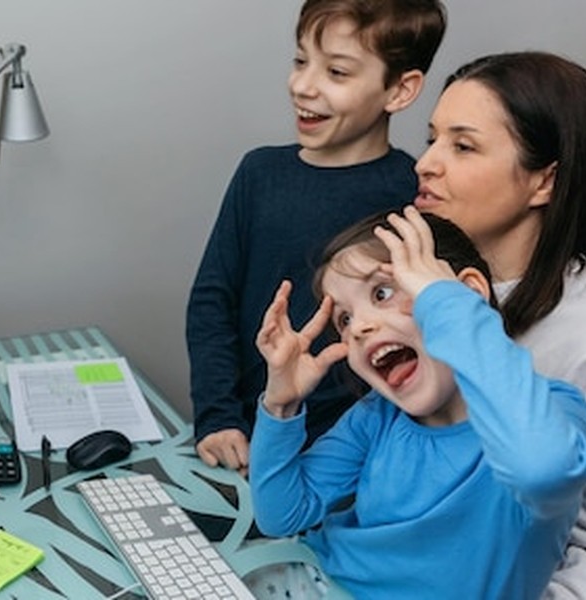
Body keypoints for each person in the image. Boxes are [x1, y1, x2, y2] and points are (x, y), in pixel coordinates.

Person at [249, 206, 586, 599]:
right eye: (344, 319)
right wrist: (281, 404)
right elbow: (282, 514)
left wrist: (449, 303)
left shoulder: (552, 413)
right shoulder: (376, 416)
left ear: (463, 296)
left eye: (382, 292)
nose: (359, 328)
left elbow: (542, 471)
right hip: (311, 577)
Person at [186, 0, 447, 476]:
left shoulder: (415, 196)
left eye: (337, 72)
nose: (303, 86)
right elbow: (211, 301)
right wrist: (218, 417)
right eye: (301, 61)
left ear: (400, 89)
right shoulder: (260, 172)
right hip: (241, 439)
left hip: (352, 462)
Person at [412, 51, 586, 598]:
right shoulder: (425, 284)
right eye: (431, 139)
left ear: (544, 182)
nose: (425, 163)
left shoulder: (577, 333)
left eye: (462, 146)